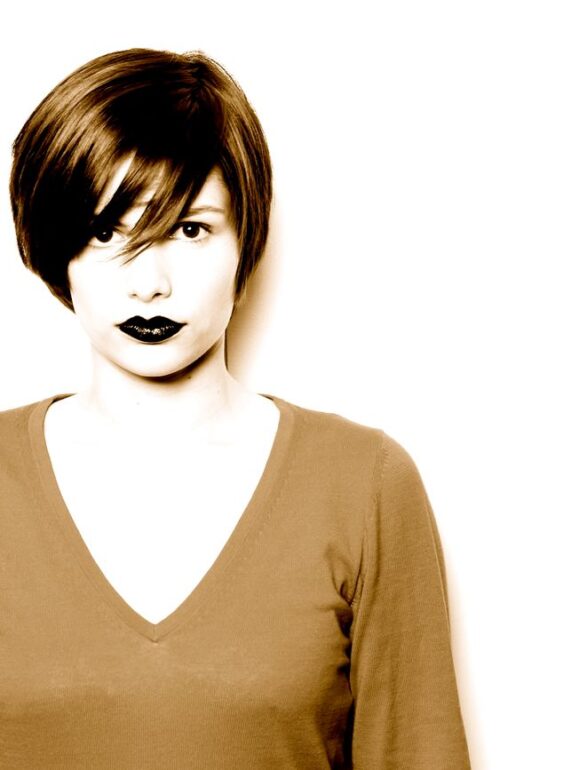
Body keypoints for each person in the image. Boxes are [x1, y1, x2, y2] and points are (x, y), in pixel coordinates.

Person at [0, 48, 472, 768]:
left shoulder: (363, 485)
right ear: (55, 248)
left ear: (245, 239)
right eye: (106, 232)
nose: (149, 282)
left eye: (190, 229)